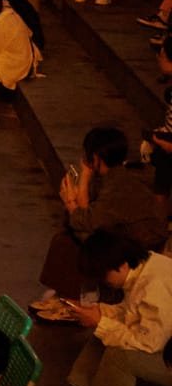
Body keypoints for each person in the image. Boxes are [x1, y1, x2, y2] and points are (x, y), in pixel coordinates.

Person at [60, 230, 172, 386]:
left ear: (120, 265)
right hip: (163, 343)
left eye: (104, 276)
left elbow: (148, 343)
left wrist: (101, 322)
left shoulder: (155, 284)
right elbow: (131, 313)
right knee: (104, 332)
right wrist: (100, 312)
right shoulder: (144, 266)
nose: (104, 282)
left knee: (121, 355)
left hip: (166, 355)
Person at [36, 125, 168, 297]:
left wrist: (70, 202)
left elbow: (84, 220)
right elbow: (87, 214)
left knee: (74, 241)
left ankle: (73, 295)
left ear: (96, 158)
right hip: (126, 236)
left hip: (139, 245)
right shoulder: (114, 177)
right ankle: (65, 292)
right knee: (72, 235)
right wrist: (84, 178)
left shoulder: (120, 185)